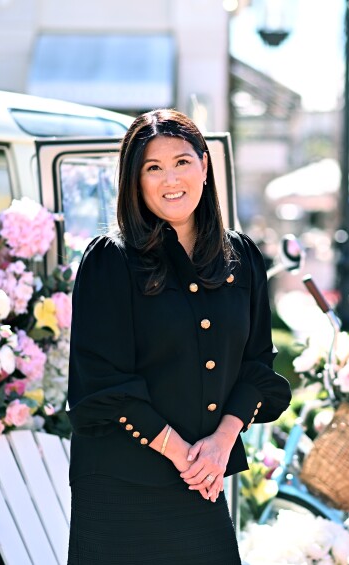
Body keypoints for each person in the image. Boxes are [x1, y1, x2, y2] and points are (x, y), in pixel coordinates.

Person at [66, 109, 292, 564]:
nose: (171, 178)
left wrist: (220, 445)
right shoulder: (110, 260)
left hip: (202, 480)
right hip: (120, 485)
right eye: (153, 167)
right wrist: (187, 455)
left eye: (182, 162)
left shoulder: (242, 257)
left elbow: (257, 369)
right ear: (135, 181)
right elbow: (103, 386)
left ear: (205, 167)